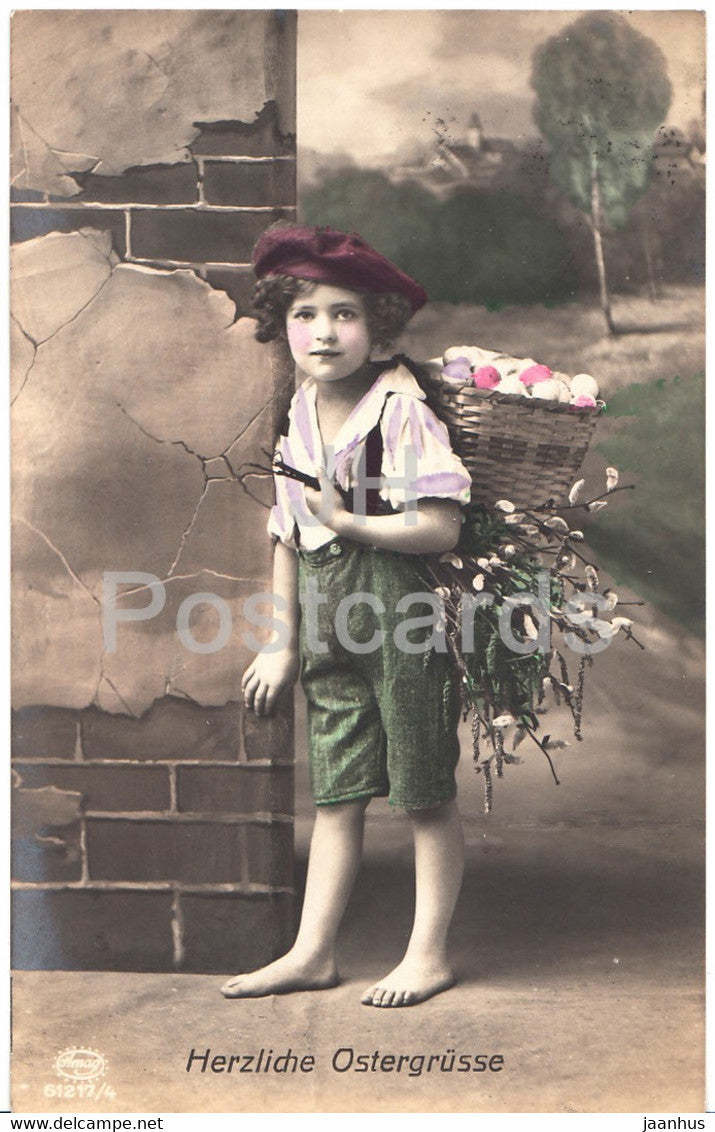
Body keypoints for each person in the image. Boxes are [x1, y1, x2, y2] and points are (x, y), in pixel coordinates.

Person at [221, 225, 472, 1007]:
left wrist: (356, 522)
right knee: (335, 792)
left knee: (422, 791)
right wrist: (280, 641)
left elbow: (441, 526)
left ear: (378, 326)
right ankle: (313, 952)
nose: (323, 332)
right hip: (327, 617)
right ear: (280, 324)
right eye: (304, 314)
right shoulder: (299, 410)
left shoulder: (399, 410)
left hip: (399, 616)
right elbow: (287, 534)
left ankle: (427, 954)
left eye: (344, 314)